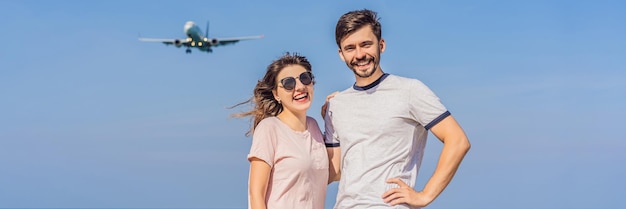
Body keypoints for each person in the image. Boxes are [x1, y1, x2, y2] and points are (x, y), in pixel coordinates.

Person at [323, 9, 471, 209]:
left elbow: (458, 140)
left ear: (381, 45)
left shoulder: (410, 90)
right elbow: (334, 172)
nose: (359, 55)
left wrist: (425, 196)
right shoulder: (336, 106)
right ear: (341, 54)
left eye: (366, 44)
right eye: (350, 48)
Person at [232, 53, 328, 209]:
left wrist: (334, 118)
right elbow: (255, 194)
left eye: (305, 78)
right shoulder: (269, 128)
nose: (300, 87)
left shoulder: (314, 126)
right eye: (288, 83)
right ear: (276, 94)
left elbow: (334, 173)